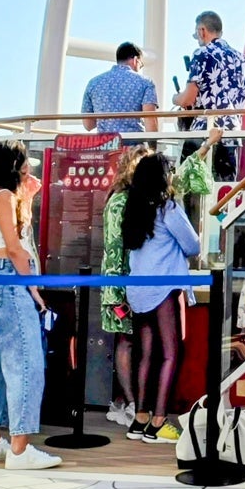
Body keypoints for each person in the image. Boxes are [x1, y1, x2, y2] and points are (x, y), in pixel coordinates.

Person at [0, 141, 61, 470]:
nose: (29, 169)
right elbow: (16, 249)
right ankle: (21, 448)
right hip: (10, 281)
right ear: (15, 165)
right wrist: (35, 291)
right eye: (25, 164)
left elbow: (7, 238)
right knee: (26, 362)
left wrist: (29, 196)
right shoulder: (6, 197)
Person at [122, 154, 200, 444]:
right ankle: (158, 423)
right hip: (164, 289)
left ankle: (139, 420)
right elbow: (193, 245)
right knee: (170, 354)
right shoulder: (168, 208)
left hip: (138, 288)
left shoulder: (134, 208)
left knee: (145, 354)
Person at [172, 10, 245, 177]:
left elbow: (187, 99)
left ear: (202, 31)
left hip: (204, 131)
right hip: (232, 133)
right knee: (224, 191)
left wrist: (175, 99)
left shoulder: (202, 54)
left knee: (188, 183)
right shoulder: (242, 59)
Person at [99, 146, 149, 427]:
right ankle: (128, 402)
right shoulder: (121, 202)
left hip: (126, 281)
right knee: (126, 341)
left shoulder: (127, 198)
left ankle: (129, 400)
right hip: (120, 283)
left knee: (131, 340)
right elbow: (118, 247)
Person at [83, 42, 160, 133]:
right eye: (141, 65)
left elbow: (88, 125)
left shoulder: (93, 83)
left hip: (106, 144)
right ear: (135, 60)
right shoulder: (146, 82)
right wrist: (153, 146)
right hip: (134, 145)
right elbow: (150, 121)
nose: (140, 68)